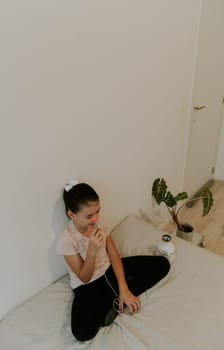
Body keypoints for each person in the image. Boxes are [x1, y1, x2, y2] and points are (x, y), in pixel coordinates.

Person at [56, 181, 170, 341]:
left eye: (98, 212)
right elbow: (84, 277)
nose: (95, 219)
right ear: (71, 214)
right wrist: (91, 252)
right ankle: (113, 301)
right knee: (82, 333)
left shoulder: (99, 221)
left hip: (109, 269)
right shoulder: (67, 240)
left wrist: (124, 288)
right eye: (89, 216)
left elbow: (113, 253)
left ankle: (117, 298)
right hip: (87, 285)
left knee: (162, 264)